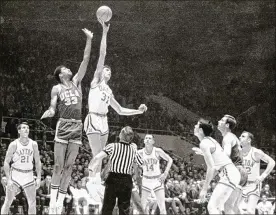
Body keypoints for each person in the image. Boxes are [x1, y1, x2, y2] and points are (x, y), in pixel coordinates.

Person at [84, 19, 147, 183]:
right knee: (97, 153)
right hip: (93, 118)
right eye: (106, 70)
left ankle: (95, 181)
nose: (108, 72)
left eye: (110, 72)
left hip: (104, 120)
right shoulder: (96, 81)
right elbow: (102, 54)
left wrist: (138, 111)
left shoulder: (109, 90)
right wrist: (104, 32)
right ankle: (92, 182)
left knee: (101, 154)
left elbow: (120, 110)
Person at [41, 28, 93, 214]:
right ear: (61, 74)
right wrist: (50, 110)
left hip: (77, 126)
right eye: (65, 69)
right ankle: (52, 202)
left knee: (69, 167)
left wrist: (89, 39)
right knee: (58, 165)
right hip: (63, 125)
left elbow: (85, 60)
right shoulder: (56, 88)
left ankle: (59, 202)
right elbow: (54, 105)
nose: (69, 69)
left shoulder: (77, 81)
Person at [89, 126, 144, 215]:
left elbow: (97, 158)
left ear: (121, 135)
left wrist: (91, 168)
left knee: (107, 207)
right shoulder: (133, 150)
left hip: (113, 178)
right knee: (124, 209)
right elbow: (141, 164)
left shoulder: (112, 146)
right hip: (126, 180)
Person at [193, 118, 241, 215]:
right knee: (219, 208)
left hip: (229, 174)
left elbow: (212, 168)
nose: (194, 126)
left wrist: (204, 189)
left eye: (196, 125)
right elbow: (219, 162)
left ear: (201, 130)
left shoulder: (204, 143)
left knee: (212, 207)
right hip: (231, 173)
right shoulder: (210, 140)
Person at [0, 122, 41, 215]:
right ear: (19, 131)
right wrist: (9, 179)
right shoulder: (14, 144)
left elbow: (38, 162)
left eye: (27, 127)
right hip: (16, 175)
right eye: (23, 128)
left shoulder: (34, 144)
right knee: (8, 201)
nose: (26, 129)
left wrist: (38, 177)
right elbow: (6, 162)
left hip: (28, 174)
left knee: (32, 203)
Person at [238, 131, 275, 214]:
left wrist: (262, 176)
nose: (240, 137)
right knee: (235, 209)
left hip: (253, 184)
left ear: (249, 140)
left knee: (250, 211)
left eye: (243, 136)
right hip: (241, 184)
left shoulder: (255, 152)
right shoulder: (238, 152)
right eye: (240, 136)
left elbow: (272, 162)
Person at [217, 114, 248, 214]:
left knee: (227, 206)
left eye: (221, 120)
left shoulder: (227, 137)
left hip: (236, 171)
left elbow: (225, 155)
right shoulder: (233, 137)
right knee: (234, 207)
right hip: (242, 171)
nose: (218, 121)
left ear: (227, 125)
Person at [138, 134, 173, 215]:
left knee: (162, 207)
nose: (147, 139)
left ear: (153, 141)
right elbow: (132, 161)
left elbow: (170, 160)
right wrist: (138, 173)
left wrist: (165, 173)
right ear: (143, 141)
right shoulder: (139, 152)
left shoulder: (157, 151)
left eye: (149, 138)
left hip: (157, 180)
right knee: (141, 206)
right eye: (146, 138)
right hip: (146, 180)